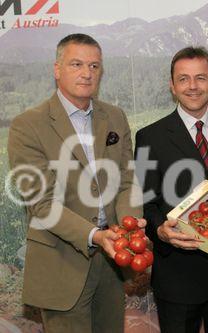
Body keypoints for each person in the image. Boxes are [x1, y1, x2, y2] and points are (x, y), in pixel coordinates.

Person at [7, 33, 145, 332]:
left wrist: (130, 225)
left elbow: (126, 181)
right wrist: (96, 235)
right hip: (61, 264)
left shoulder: (115, 117)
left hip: (111, 262)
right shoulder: (28, 126)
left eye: (95, 66)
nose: (87, 73)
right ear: (57, 70)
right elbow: (41, 204)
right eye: (77, 64)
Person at [135, 46, 208, 333]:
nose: (193, 86)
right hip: (178, 276)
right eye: (183, 79)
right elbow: (147, 203)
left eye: (200, 78)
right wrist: (159, 230)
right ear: (172, 86)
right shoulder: (150, 137)